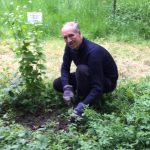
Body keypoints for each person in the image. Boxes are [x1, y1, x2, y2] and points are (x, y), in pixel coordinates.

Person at [53, 21, 118, 117]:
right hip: (87, 74)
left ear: (79, 33)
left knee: (81, 70)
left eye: (71, 35)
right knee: (58, 83)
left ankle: (82, 101)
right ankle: (81, 96)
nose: (69, 40)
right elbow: (64, 68)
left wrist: (82, 106)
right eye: (65, 37)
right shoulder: (69, 47)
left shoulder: (93, 52)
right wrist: (67, 88)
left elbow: (98, 86)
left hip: (105, 81)